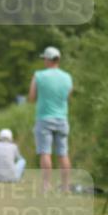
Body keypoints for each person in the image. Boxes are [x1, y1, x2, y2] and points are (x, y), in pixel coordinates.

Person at [28, 45, 73, 192]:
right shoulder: (67, 77)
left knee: (45, 152)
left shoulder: (39, 75)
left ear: (47, 60)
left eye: (44, 59)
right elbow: (68, 97)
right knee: (63, 153)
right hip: (62, 119)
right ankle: (66, 186)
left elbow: (31, 97)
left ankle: (46, 185)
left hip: (44, 119)